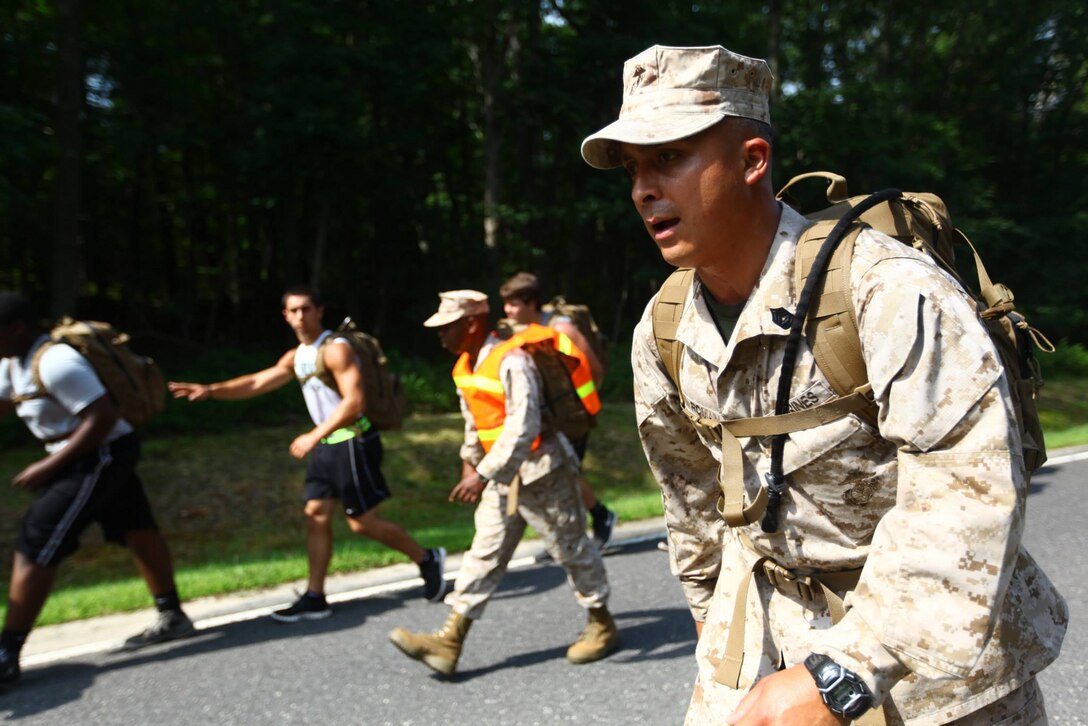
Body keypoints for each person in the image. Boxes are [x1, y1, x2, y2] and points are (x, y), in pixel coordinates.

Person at [580, 45, 1067, 724]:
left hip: (934, 676)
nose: (642, 189)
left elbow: (968, 487)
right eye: (634, 169)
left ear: (752, 160)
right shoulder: (663, 329)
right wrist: (712, 625)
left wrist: (845, 671)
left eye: (670, 157)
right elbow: (691, 499)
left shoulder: (887, 290)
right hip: (767, 658)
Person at [168, 286, 448, 621]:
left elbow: (354, 402)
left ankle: (428, 558)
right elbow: (258, 382)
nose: (300, 316)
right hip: (327, 445)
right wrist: (211, 391)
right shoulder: (297, 356)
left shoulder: (336, 350)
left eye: (306, 309)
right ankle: (315, 596)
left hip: (352, 441)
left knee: (362, 523)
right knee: (315, 514)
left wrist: (313, 436)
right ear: (285, 316)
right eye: (293, 311)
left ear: (319, 312)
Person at [388, 290, 618, 675]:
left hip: (543, 469)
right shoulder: (465, 365)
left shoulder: (512, 360)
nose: (441, 336)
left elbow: (523, 426)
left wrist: (482, 474)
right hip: (503, 476)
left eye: (447, 327)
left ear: (473, 323)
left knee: (571, 547)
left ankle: (602, 624)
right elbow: (476, 423)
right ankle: (449, 640)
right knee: (485, 552)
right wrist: (470, 463)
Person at [0, 292, 195, 688]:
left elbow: (102, 417)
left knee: (39, 539)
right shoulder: (11, 362)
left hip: (102, 453)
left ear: (16, 329)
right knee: (135, 527)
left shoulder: (56, 361)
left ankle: (6, 652)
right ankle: (172, 614)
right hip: (84, 453)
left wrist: (49, 465)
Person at [498, 272, 617, 550]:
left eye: (513, 304)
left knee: (565, 476)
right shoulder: (522, 331)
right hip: (548, 418)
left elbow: (594, 371)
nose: (507, 310)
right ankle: (568, 538)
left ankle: (599, 519)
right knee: (559, 476)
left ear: (531, 303)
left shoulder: (561, 329)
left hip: (572, 417)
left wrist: (579, 408)